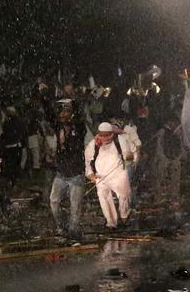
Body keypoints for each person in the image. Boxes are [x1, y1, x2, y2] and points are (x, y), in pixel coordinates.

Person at [49, 100, 87, 241]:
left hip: (76, 173)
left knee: (75, 206)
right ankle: (61, 226)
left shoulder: (78, 128)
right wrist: (45, 95)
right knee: (54, 201)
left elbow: (79, 118)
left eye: (66, 112)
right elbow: (49, 114)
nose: (63, 114)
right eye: (62, 111)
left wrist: (73, 103)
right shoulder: (58, 127)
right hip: (61, 173)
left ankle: (73, 231)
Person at [85, 122, 133, 229]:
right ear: (99, 134)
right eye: (102, 135)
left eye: (107, 135)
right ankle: (111, 222)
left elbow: (129, 156)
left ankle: (124, 216)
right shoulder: (93, 144)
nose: (105, 138)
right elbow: (87, 161)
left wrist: (129, 156)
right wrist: (91, 175)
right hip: (101, 176)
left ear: (112, 133)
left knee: (124, 196)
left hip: (118, 174)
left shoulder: (120, 140)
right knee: (104, 198)